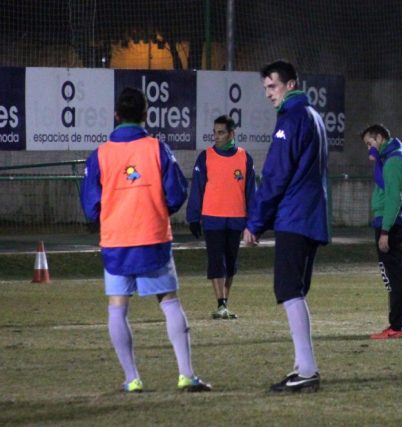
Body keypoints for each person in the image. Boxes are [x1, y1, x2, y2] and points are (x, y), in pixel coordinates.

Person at [80, 87, 211, 393]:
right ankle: (186, 374)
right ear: (145, 115)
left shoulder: (100, 154)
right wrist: (154, 208)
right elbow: (177, 193)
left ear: (116, 117)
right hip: (152, 238)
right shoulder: (158, 148)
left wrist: (113, 213)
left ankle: (132, 379)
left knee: (117, 307)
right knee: (169, 302)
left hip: (116, 242)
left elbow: (90, 207)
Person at [243, 60, 328, 393]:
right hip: (309, 216)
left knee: (289, 290)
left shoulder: (291, 119)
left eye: (272, 87)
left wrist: (256, 222)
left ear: (291, 84)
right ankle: (302, 366)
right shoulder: (314, 117)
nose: (268, 94)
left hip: (294, 216)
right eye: (265, 88)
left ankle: (307, 370)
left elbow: (276, 175)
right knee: (295, 291)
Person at [186, 115, 256, 320]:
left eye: (221, 132)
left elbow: (251, 192)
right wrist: (193, 217)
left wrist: (254, 221)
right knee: (217, 261)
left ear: (232, 133)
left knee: (231, 263)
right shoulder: (205, 157)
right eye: (214, 132)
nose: (216, 136)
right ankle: (221, 302)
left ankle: (225, 301)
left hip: (236, 218)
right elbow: (197, 189)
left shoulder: (244, 158)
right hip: (212, 218)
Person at [361, 124, 402, 339]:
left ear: (381, 138)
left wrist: (385, 231)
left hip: (390, 223)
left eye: (370, 143)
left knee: (393, 277)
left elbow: (394, 197)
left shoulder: (393, 161)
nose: (368, 148)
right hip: (394, 222)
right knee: (395, 276)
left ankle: (398, 326)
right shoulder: (395, 156)